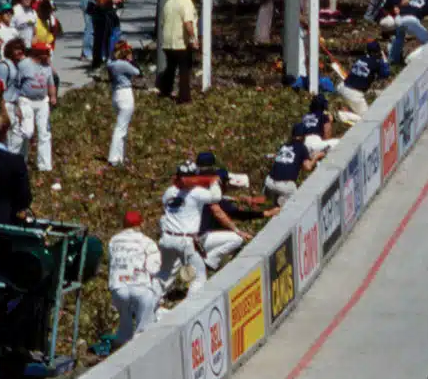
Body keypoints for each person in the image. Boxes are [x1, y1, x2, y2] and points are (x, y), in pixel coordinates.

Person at [158, 161, 248, 289]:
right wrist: (214, 182)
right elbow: (216, 197)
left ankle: (154, 300)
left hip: (166, 239)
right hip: (185, 240)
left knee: (164, 274)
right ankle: (192, 307)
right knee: (199, 278)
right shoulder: (197, 193)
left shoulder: (169, 192)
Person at [107, 210, 163, 346]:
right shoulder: (146, 242)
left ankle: (122, 345)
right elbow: (153, 268)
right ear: (140, 224)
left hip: (118, 287)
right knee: (143, 330)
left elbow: (111, 261)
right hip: (140, 286)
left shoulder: (113, 241)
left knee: (125, 322)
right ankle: (141, 349)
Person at [13, 42, 58, 172]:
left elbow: (51, 83)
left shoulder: (47, 66)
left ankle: (45, 165)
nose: (48, 56)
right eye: (46, 53)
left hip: (43, 101)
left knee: (45, 133)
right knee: (27, 131)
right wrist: (16, 103)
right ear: (38, 53)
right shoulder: (24, 65)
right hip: (26, 100)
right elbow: (16, 84)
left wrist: (53, 96)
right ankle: (20, 161)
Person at [158, 0, 200, 103]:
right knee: (184, 69)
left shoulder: (169, 2)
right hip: (181, 41)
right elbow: (188, 23)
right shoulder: (186, 2)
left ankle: (165, 91)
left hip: (167, 41)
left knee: (170, 67)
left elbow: (162, 22)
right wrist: (193, 38)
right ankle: (184, 97)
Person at [263, 123, 315, 207]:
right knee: (297, 206)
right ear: (303, 136)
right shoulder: (302, 147)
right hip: (285, 186)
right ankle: (283, 202)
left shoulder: (284, 146)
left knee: (278, 190)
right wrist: (316, 157)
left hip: (269, 182)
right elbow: (308, 167)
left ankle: (276, 200)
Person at [338, 40, 388, 117]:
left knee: (354, 110)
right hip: (354, 94)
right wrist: (384, 61)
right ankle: (342, 115)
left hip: (342, 87)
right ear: (378, 51)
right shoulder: (376, 63)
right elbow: (385, 74)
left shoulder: (361, 58)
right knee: (366, 119)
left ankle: (344, 114)